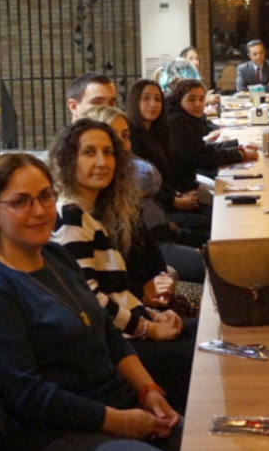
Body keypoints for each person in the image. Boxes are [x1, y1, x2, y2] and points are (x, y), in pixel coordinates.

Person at [0, 153, 181, 451]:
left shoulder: (56, 256)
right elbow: (27, 396)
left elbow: (106, 330)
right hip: (52, 437)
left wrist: (148, 390)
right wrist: (120, 422)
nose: (39, 210)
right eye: (20, 202)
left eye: (45, 196)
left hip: (115, 408)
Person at [48, 119, 197, 414]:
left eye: (108, 152)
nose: (102, 162)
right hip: (113, 351)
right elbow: (91, 301)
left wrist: (153, 315)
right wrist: (148, 328)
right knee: (206, 354)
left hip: (127, 333)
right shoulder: (71, 220)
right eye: (89, 152)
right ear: (68, 160)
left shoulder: (90, 213)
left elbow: (117, 293)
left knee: (207, 333)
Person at [81, 104, 206, 284]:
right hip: (131, 294)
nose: (121, 144)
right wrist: (150, 289)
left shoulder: (122, 192)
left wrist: (162, 278)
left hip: (156, 265)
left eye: (125, 136)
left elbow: (149, 252)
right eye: (113, 137)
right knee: (216, 269)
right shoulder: (85, 205)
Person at [125, 79, 211, 240]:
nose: (153, 104)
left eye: (158, 99)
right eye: (146, 98)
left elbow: (163, 178)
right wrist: (176, 201)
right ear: (134, 101)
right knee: (213, 224)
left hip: (170, 199)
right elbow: (144, 186)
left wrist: (178, 195)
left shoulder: (157, 132)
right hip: (154, 216)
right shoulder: (131, 137)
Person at [166, 78, 257, 191]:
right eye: (191, 99)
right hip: (178, 187)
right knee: (228, 189)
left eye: (201, 99)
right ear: (179, 100)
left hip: (187, 177)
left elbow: (201, 148)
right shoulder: (177, 121)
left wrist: (237, 145)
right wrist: (240, 154)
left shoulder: (185, 116)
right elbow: (203, 157)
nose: (198, 104)